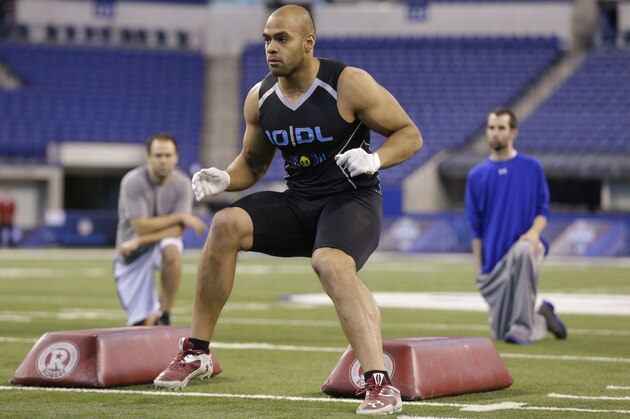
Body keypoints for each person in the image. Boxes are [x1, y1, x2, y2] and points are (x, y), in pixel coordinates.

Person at [154, 4, 423, 416]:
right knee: (225, 223)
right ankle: (196, 353)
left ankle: (379, 383)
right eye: (266, 40)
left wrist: (376, 160)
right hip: (298, 202)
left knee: (330, 263)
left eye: (282, 39)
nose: (271, 48)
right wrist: (225, 179)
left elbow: (410, 135)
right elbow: (254, 163)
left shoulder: (348, 83)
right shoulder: (260, 97)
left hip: (351, 200)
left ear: (308, 42)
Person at [464, 107, 567, 345]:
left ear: (513, 133)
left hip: (527, 248)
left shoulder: (532, 168)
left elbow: (543, 211)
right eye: (491, 128)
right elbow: (476, 227)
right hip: (495, 260)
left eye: (501, 128)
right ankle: (542, 316)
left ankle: (522, 327)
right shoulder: (476, 175)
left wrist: (533, 234)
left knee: (523, 251)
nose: (495, 133)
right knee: (500, 333)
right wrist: (480, 269)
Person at [114, 133, 207, 327]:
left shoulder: (182, 184)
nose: (163, 160)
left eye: (168, 155)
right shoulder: (133, 181)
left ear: (176, 157)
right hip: (132, 254)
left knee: (172, 249)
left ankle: (165, 312)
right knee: (142, 325)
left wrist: (141, 239)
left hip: (145, 244)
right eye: (158, 155)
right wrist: (181, 217)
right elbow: (141, 226)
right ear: (149, 157)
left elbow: (177, 232)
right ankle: (153, 314)